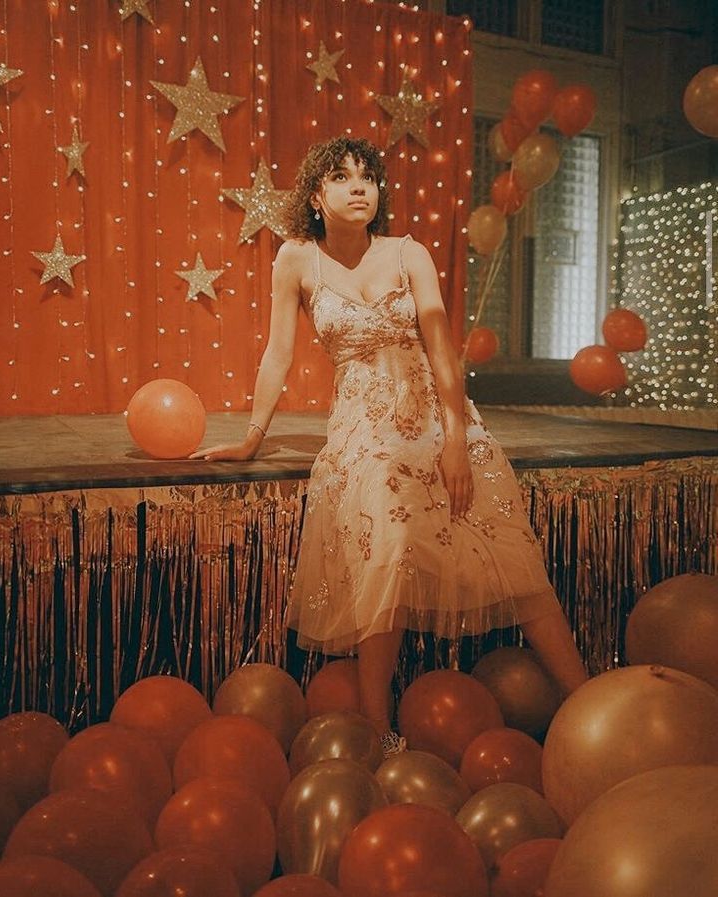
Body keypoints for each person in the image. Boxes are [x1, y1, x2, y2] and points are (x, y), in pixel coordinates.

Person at [191, 136, 587, 757]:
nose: (359, 187)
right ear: (316, 196)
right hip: (363, 426)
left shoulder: (409, 253)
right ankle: (379, 732)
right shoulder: (296, 258)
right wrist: (250, 438)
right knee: (387, 542)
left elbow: (441, 348)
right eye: (343, 178)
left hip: (436, 414)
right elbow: (279, 352)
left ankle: (586, 700)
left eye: (369, 178)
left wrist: (457, 442)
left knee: (507, 549)